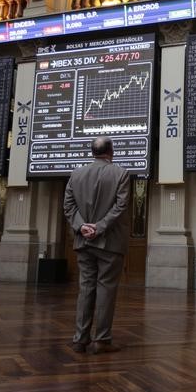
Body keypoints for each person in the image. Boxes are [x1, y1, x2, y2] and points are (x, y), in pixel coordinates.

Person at [64, 136, 131, 354]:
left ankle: (80, 339)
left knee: (85, 289)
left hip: (83, 242)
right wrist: (99, 227)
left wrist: (82, 227)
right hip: (110, 244)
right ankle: (101, 340)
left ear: (93, 152)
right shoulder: (120, 174)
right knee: (106, 290)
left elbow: (68, 206)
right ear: (111, 151)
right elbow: (120, 207)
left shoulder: (76, 174)